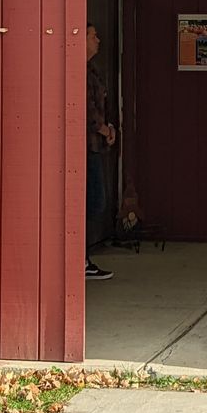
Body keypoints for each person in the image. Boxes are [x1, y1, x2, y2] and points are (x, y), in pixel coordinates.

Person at [86, 22, 116, 280]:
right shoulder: (79, 71)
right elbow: (86, 110)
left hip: (95, 147)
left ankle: (82, 259)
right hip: (84, 148)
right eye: (94, 35)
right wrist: (104, 130)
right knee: (93, 202)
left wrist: (109, 129)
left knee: (95, 202)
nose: (99, 40)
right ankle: (79, 260)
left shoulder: (91, 69)